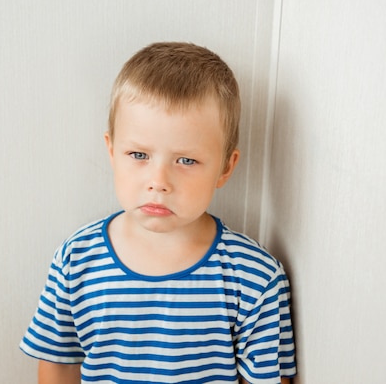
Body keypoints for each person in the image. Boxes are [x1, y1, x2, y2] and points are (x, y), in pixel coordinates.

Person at [20, 42, 296, 383]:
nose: (158, 182)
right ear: (111, 150)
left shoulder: (255, 279)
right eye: (138, 155)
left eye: (186, 160)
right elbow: (58, 364)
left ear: (226, 168)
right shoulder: (77, 259)